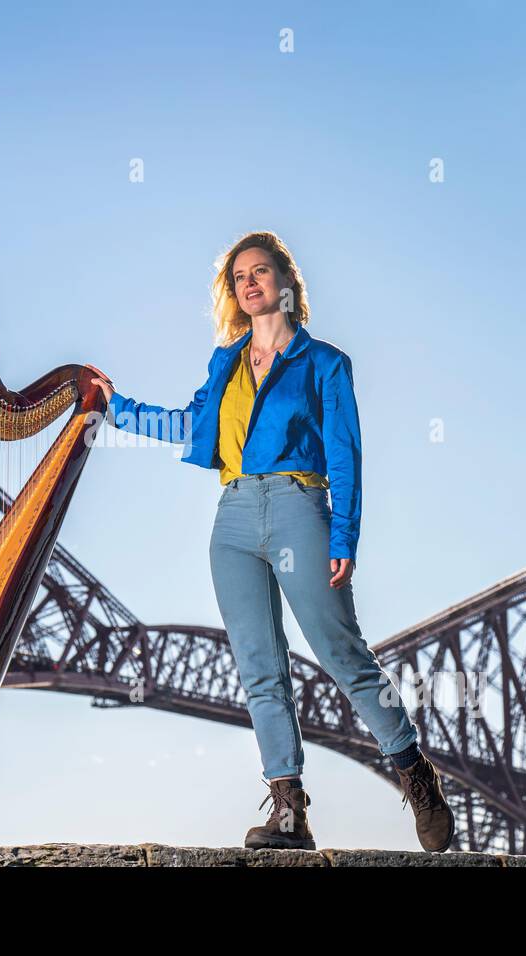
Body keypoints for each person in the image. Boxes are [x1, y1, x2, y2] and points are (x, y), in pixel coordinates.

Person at [84, 231, 455, 853]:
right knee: (260, 667)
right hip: (231, 518)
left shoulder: (325, 364)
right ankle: (289, 811)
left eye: (260, 272)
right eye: (238, 277)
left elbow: (346, 457)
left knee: (342, 655)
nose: (248, 283)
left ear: (286, 281)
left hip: (298, 508)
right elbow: (189, 426)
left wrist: (345, 535)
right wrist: (114, 408)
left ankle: (414, 770)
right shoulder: (224, 362)